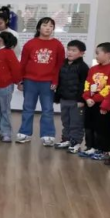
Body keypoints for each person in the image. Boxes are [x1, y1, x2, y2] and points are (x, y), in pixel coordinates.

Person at [17, 17, 66, 146]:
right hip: (30, 81)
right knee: (28, 108)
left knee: (48, 109)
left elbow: (59, 65)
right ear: (39, 28)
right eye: (45, 25)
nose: (48, 28)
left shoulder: (57, 45)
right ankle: (25, 133)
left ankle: (48, 135)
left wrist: (56, 81)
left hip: (48, 82)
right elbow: (23, 63)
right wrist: (20, 80)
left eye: (51, 26)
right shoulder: (30, 44)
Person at [78, 42, 110, 159]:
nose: (96, 56)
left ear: (108, 55)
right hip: (90, 103)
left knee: (102, 127)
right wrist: (87, 97)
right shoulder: (93, 69)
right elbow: (87, 84)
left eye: (98, 53)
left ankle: (103, 150)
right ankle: (90, 147)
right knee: (89, 126)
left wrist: (95, 99)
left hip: (103, 104)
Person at [54, 40, 89, 153]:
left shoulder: (83, 67)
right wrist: (57, 96)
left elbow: (84, 84)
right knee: (65, 121)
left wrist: (81, 99)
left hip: (76, 100)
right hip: (64, 98)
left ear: (82, 53)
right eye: (69, 49)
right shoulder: (63, 64)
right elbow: (60, 81)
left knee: (76, 122)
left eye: (74, 50)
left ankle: (76, 142)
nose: (70, 52)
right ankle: (66, 139)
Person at [0, 31, 21, 142]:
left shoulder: (9, 53)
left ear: (1, 40)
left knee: (4, 109)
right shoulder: (1, 52)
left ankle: (6, 133)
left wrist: (18, 81)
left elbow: (16, 68)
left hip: (6, 85)